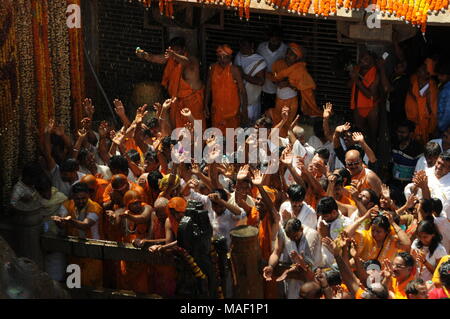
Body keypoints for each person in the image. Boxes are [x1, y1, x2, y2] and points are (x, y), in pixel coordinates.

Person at [136, 37, 205, 128]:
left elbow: (186, 62)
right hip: (177, 103)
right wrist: (144, 55)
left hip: (193, 103)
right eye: (173, 51)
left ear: (184, 49)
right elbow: (155, 58)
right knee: (179, 134)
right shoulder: (171, 58)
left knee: (197, 131)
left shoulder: (192, 60)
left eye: (177, 50)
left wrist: (174, 55)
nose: (175, 53)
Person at [53, 182, 103, 288]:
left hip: (91, 250)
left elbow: (86, 225)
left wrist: (70, 221)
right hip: (74, 250)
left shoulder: (94, 207)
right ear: (73, 197)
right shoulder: (67, 205)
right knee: (74, 283)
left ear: (88, 195)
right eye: (77, 199)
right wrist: (59, 222)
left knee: (92, 283)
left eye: (83, 198)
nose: (80, 201)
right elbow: (62, 221)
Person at [269, 43, 321, 136]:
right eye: (288, 53)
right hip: (279, 99)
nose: (288, 56)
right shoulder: (279, 63)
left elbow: (304, 88)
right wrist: (278, 83)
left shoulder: (300, 69)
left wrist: (289, 84)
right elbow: (273, 77)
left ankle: (285, 144)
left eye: (291, 54)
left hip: (291, 101)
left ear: (297, 58)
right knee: (277, 121)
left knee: (288, 123)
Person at [263, 218, 323, 299]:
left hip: (310, 280)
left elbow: (310, 266)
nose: (292, 239)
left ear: (301, 229)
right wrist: (271, 266)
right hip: (291, 281)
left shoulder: (312, 235)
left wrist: (299, 261)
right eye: (289, 237)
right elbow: (276, 252)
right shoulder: (283, 233)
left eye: (295, 236)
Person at [115, 189, 152, 294]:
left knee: (142, 287)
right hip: (128, 258)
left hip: (143, 257)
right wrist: (114, 218)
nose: (137, 205)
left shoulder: (147, 208)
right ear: (127, 205)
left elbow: (143, 218)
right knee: (125, 286)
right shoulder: (122, 213)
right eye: (133, 204)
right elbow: (116, 223)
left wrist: (129, 216)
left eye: (138, 202)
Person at [205, 44, 247, 133]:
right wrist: (205, 105)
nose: (222, 60)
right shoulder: (212, 68)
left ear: (230, 57)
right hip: (217, 111)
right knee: (217, 138)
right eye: (220, 57)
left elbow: (242, 91)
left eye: (225, 57)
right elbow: (208, 88)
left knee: (231, 140)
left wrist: (244, 110)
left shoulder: (234, 70)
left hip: (232, 113)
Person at [345, 208, 411, 262]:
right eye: (373, 230)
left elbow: (407, 243)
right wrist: (365, 217)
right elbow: (346, 234)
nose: (374, 234)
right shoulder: (366, 236)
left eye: (378, 231)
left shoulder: (392, 240)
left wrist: (393, 223)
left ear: (387, 232)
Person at [349, 51, 380, 148]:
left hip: (371, 107)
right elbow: (349, 85)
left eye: (366, 59)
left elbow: (370, 95)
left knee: (373, 134)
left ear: (372, 62)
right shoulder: (357, 69)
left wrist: (357, 81)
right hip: (358, 106)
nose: (362, 60)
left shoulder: (376, 75)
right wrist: (352, 77)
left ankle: (373, 152)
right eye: (362, 58)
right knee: (360, 130)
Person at [256, 26, 288, 116]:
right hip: (263, 88)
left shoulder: (285, 49)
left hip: (279, 89)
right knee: (263, 115)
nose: (274, 38)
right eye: (272, 36)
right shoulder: (261, 47)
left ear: (281, 38)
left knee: (276, 115)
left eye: (277, 36)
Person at [234, 38, 267, 125]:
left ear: (252, 45)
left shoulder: (259, 61)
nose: (241, 47)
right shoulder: (238, 56)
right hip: (238, 101)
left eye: (244, 44)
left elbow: (260, 81)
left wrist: (243, 75)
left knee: (251, 130)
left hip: (252, 103)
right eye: (240, 45)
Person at [405, 62, 439, 144]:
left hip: (426, 124)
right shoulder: (413, 82)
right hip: (412, 122)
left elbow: (433, 110)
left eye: (424, 69)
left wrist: (427, 98)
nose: (423, 71)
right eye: (420, 70)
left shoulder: (432, 87)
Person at [316, 197, 351, 266]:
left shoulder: (346, 224)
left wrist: (326, 235)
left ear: (334, 212)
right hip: (321, 262)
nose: (322, 218)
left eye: (325, 216)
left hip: (336, 266)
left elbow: (344, 252)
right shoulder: (322, 218)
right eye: (321, 216)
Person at [391, 120, 424, 189]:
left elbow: (420, 169)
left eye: (403, 132)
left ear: (411, 134)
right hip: (393, 183)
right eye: (398, 131)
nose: (399, 134)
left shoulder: (417, 148)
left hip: (408, 186)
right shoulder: (394, 144)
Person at [436, 59, 450, 134]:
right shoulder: (443, 86)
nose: (439, 77)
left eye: (442, 75)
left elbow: (448, 112)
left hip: (444, 128)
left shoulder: (447, 91)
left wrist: (440, 126)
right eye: (438, 75)